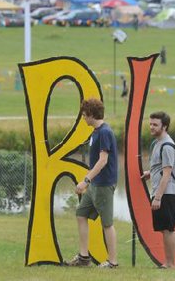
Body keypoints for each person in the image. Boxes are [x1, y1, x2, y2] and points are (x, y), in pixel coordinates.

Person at [65, 98, 119, 268]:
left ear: (91, 114)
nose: (83, 118)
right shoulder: (96, 132)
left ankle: (113, 262)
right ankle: (83, 258)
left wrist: (86, 180)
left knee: (107, 223)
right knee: (81, 214)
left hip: (103, 184)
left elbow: (103, 161)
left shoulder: (105, 132)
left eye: (84, 115)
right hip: (95, 184)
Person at [142, 111, 175, 269]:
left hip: (166, 193)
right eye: (150, 124)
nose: (151, 127)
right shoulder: (159, 142)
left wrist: (157, 197)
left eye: (155, 125)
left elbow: (167, 175)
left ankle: (170, 264)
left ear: (164, 126)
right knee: (167, 227)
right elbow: (163, 169)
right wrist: (150, 173)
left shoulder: (166, 145)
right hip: (163, 192)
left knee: (168, 230)